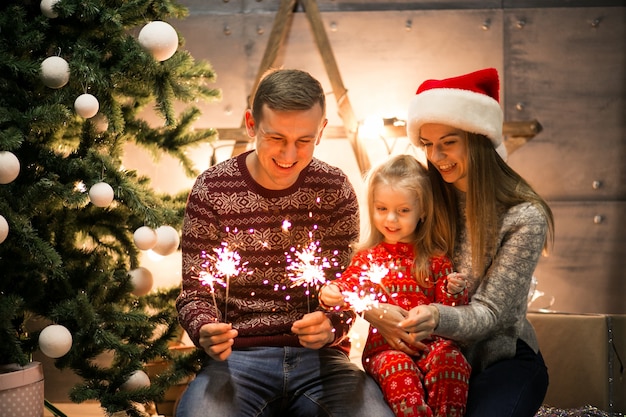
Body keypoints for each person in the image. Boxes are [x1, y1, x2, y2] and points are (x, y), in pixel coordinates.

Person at [175, 68, 394, 417]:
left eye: (304, 140)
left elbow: (346, 288)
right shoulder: (212, 189)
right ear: (251, 124)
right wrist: (204, 329)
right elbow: (194, 292)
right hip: (237, 360)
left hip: (322, 362)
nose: (289, 154)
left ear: (321, 130)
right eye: (276, 137)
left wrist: (332, 325)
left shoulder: (334, 189)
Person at [364, 68, 555, 417]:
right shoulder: (425, 201)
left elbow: (492, 313)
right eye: (427, 145)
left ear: (479, 139)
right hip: (422, 354)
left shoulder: (523, 216)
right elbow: (379, 259)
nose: (436, 157)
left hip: (500, 357)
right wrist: (374, 311)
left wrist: (435, 317)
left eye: (448, 142)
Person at [318, 155, 471, 417]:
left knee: (452, 359)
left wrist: (452, 291)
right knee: (399, 369)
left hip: (431, 345)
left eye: (403, 211)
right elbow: (350, 286)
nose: (391, 219)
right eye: (381, 209)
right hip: (386, 350)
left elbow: (451, 313)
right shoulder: (368, 258)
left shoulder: (436, 258)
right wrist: (333, 292)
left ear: (422, 210)